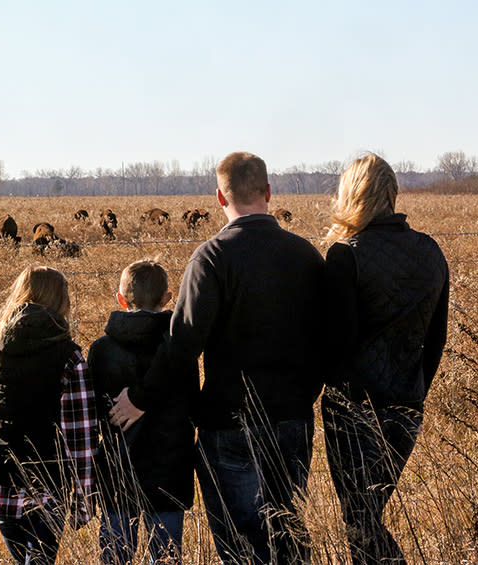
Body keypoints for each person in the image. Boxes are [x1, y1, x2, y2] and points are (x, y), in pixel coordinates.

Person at [110, 151, 326, 564]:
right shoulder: (306, 256)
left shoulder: (212, 258)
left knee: (242, 547)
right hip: (293, 421)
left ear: (218, 198)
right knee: (286, 538)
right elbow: (327, 339)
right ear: (268, 191)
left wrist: (140, 398)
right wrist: (303, 395)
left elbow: (182, 344)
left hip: (230, 422)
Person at [321, 154, 448, 564]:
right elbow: (437, 337)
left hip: (354, 410)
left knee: (359, 520)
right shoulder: (430, 251)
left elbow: (335, 347)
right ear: (391, 194)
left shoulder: (346, 255)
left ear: (351, 194)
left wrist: (338, 394)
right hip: (407, 407)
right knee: (367, 515)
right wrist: (414, 391)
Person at [0, 265, 98, 564]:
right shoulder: (71, 357)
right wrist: (83, 498)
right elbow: (81, 436)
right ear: (61, 301)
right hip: (47, 485)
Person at [89, 260, 198, 564]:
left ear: (120, 299)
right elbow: (192, 403)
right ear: (167, 298)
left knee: (114, 555)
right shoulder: (178, 351)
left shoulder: (101, 350)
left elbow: (96, 409)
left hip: (118, 470)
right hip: (170, 469)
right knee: (165, 555)